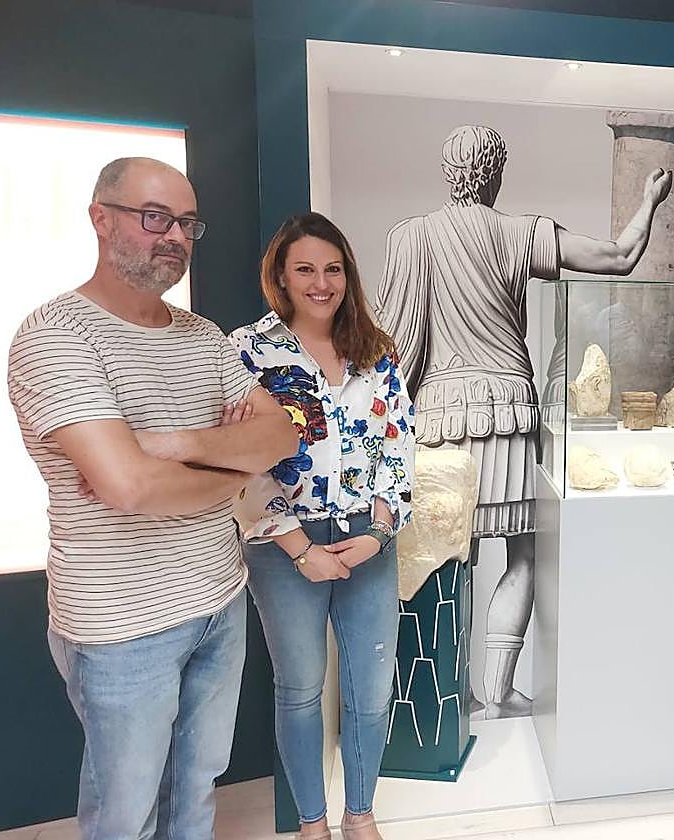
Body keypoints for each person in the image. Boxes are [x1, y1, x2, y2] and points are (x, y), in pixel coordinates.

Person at [6, 157, 299, 838]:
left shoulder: (201, 337)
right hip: (121, 625)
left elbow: (281, 434)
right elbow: (129, 488)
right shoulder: (56, 335)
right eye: (153, 216)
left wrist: (165, 442)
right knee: (125, 813)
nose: (172, 236)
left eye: (186, 223)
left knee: (195, 790)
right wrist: (228, 469)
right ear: (100, 217)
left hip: (219, 601)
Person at [377, 124, 671, 718]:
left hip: (437, 418)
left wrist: (384, 429)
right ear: (495, 173)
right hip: (508, 413)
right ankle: (497, 690)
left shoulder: (410, 237)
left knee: (444, 560)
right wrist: (649, 201)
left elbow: (391, 347)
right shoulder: (520, 233)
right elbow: (618, 257)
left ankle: (440, 694)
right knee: (523, 556)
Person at [231, 212, 414, 840]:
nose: (321, 282)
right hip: (284, 547)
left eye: (333, 269)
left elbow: (398, 443)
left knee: (370, 690)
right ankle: (312, 825)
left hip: (369, 533)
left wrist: (379, 529)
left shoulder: (376, 349)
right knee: (301, 688)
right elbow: (243, 464)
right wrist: (301, 547)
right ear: (281, 275)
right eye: (305, 268)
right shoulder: (248, 352)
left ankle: (359, 815)